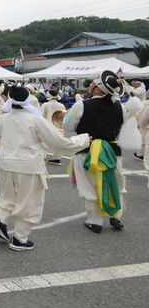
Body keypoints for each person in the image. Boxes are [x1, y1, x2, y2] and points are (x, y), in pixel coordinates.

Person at [0, 86, 89, 251]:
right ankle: (20, 239)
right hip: (28, 165)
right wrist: (83, 140)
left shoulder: (3, 118)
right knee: (29, 202)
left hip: (5, 163)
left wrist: (7, 149)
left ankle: (0, 220)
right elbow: (57, 142)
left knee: (9, 196)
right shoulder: (35, 119)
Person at [63, 71, 125, 234]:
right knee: (115, 183)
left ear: (98, 89)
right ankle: (116, 214)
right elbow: (121, 128)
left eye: (93, 83)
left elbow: (66, 125)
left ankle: (94, 220)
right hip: (112, 151)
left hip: (87, 150)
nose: (90, 85)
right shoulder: (120, 106)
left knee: (88, 186)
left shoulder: (81, 105)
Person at [41, 89, 66, 165]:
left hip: (47, 125)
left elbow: (41, 116)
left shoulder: (45, 105)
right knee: (58, 142)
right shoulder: (61, 105)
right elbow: (64, 116)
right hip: (58, 126)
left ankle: (42, 157)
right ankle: (57, 159)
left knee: (43, 142)